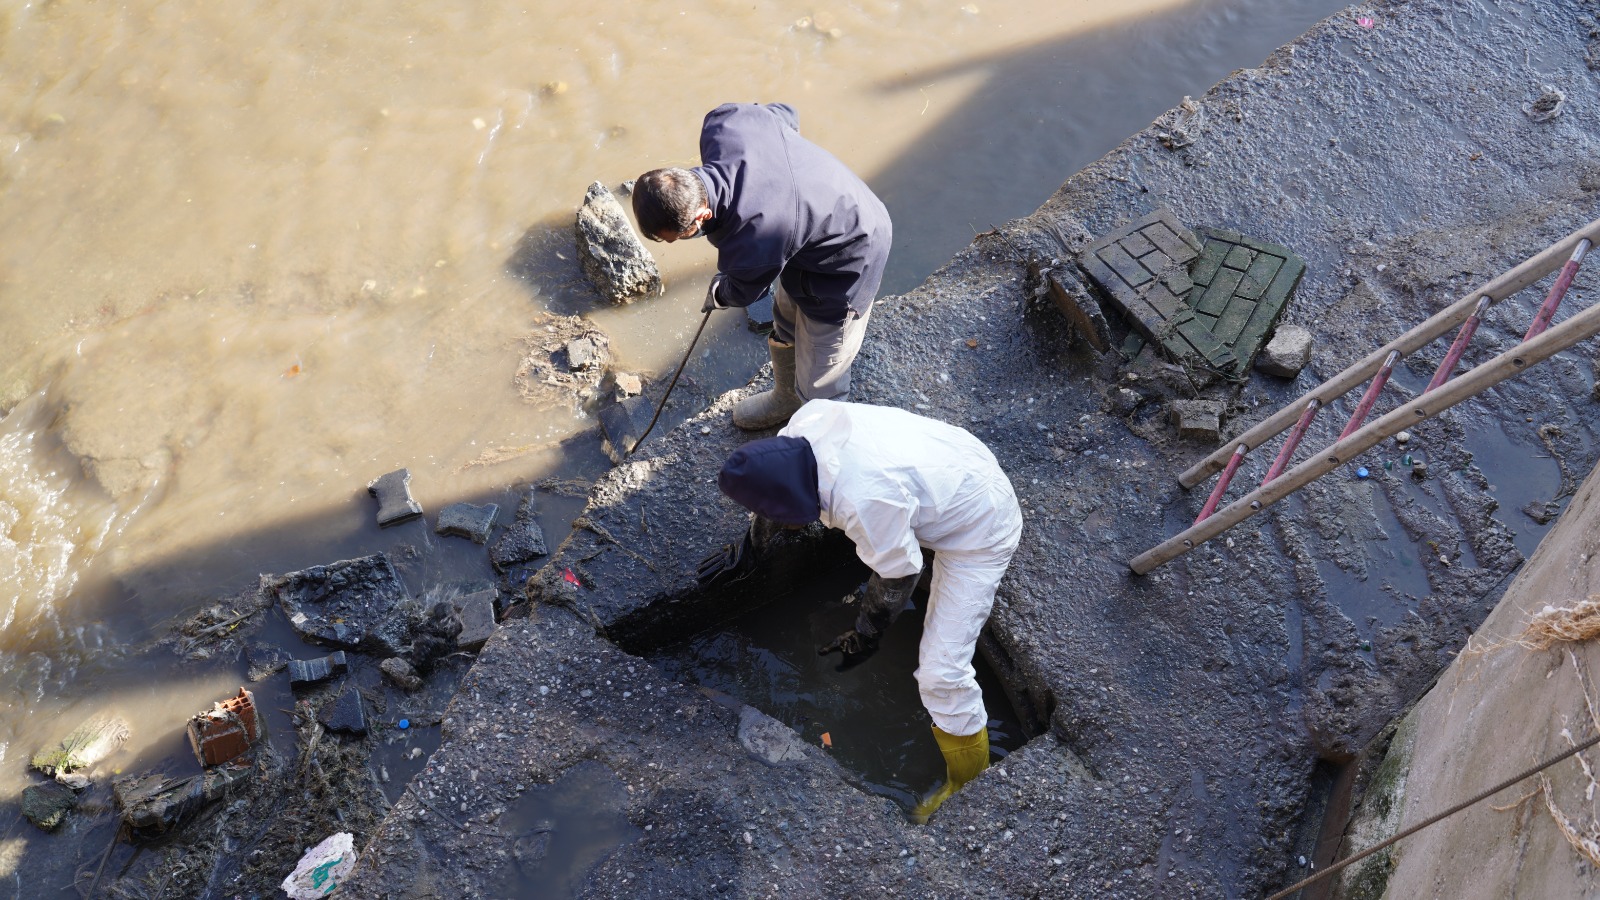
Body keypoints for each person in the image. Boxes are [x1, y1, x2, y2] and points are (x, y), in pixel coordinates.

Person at [705, 399, 1023, 821]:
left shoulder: (866, 501)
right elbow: (770, 498)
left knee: (940, 675)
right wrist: (749, 551)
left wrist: (865, 634)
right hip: (949, 464)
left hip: (981, 525)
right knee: (886, 535)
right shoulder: (801, 431)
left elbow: (899, 576)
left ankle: (968, 783)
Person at [631, 103, 892, 431]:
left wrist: (718, 295)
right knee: (786, 318)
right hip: (808, 233)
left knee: (821, 374)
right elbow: (785, 113)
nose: (675, 243)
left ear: (701, 217)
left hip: (855, 247)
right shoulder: (725, 124)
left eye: (676, 238)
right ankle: (786, 398)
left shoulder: (755, 236)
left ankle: (821, 436)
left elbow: (740, 290)